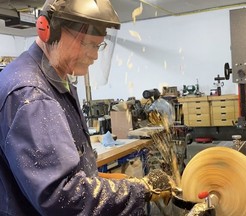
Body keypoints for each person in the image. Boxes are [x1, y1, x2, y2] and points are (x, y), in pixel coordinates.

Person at [0, 0, 174, 215]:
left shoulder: (57, 80)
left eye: (98, 45)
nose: (94, 54)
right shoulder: (32, 94)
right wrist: (139, 190)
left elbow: (69, 174)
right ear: (47, 31)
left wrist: (117, 183)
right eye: (88, 44)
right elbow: (62, 197)